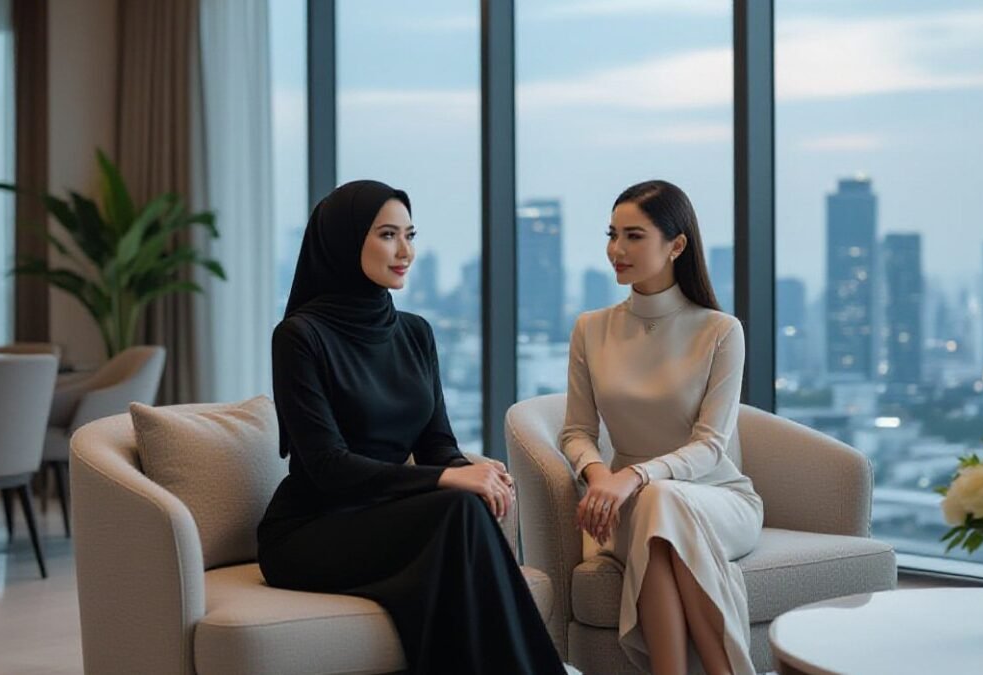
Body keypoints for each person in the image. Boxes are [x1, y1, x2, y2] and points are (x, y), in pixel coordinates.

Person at [257, 180, 566, 675]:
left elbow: (438, 445)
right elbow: (328, 467)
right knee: (459, 510)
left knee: (466, 507)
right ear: (344, 240)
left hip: (389, 517)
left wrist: (476, 472)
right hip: (311, 531)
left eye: (410, 234)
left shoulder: (415, 333)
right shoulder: (299, 337)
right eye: (387, 235)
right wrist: (449, 478)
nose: (405, 251)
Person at [561, 180, 763, 675]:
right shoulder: (592, 327)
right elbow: (576, 432)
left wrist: (635, 476)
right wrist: (600, 475)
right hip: (627, 505)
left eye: (634, 236)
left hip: (717, 499)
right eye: (612, 234)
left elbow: (711, 447)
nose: (616, 250)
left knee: (660, 498)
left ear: (676, 245)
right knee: (656, 503)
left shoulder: (720, 330)